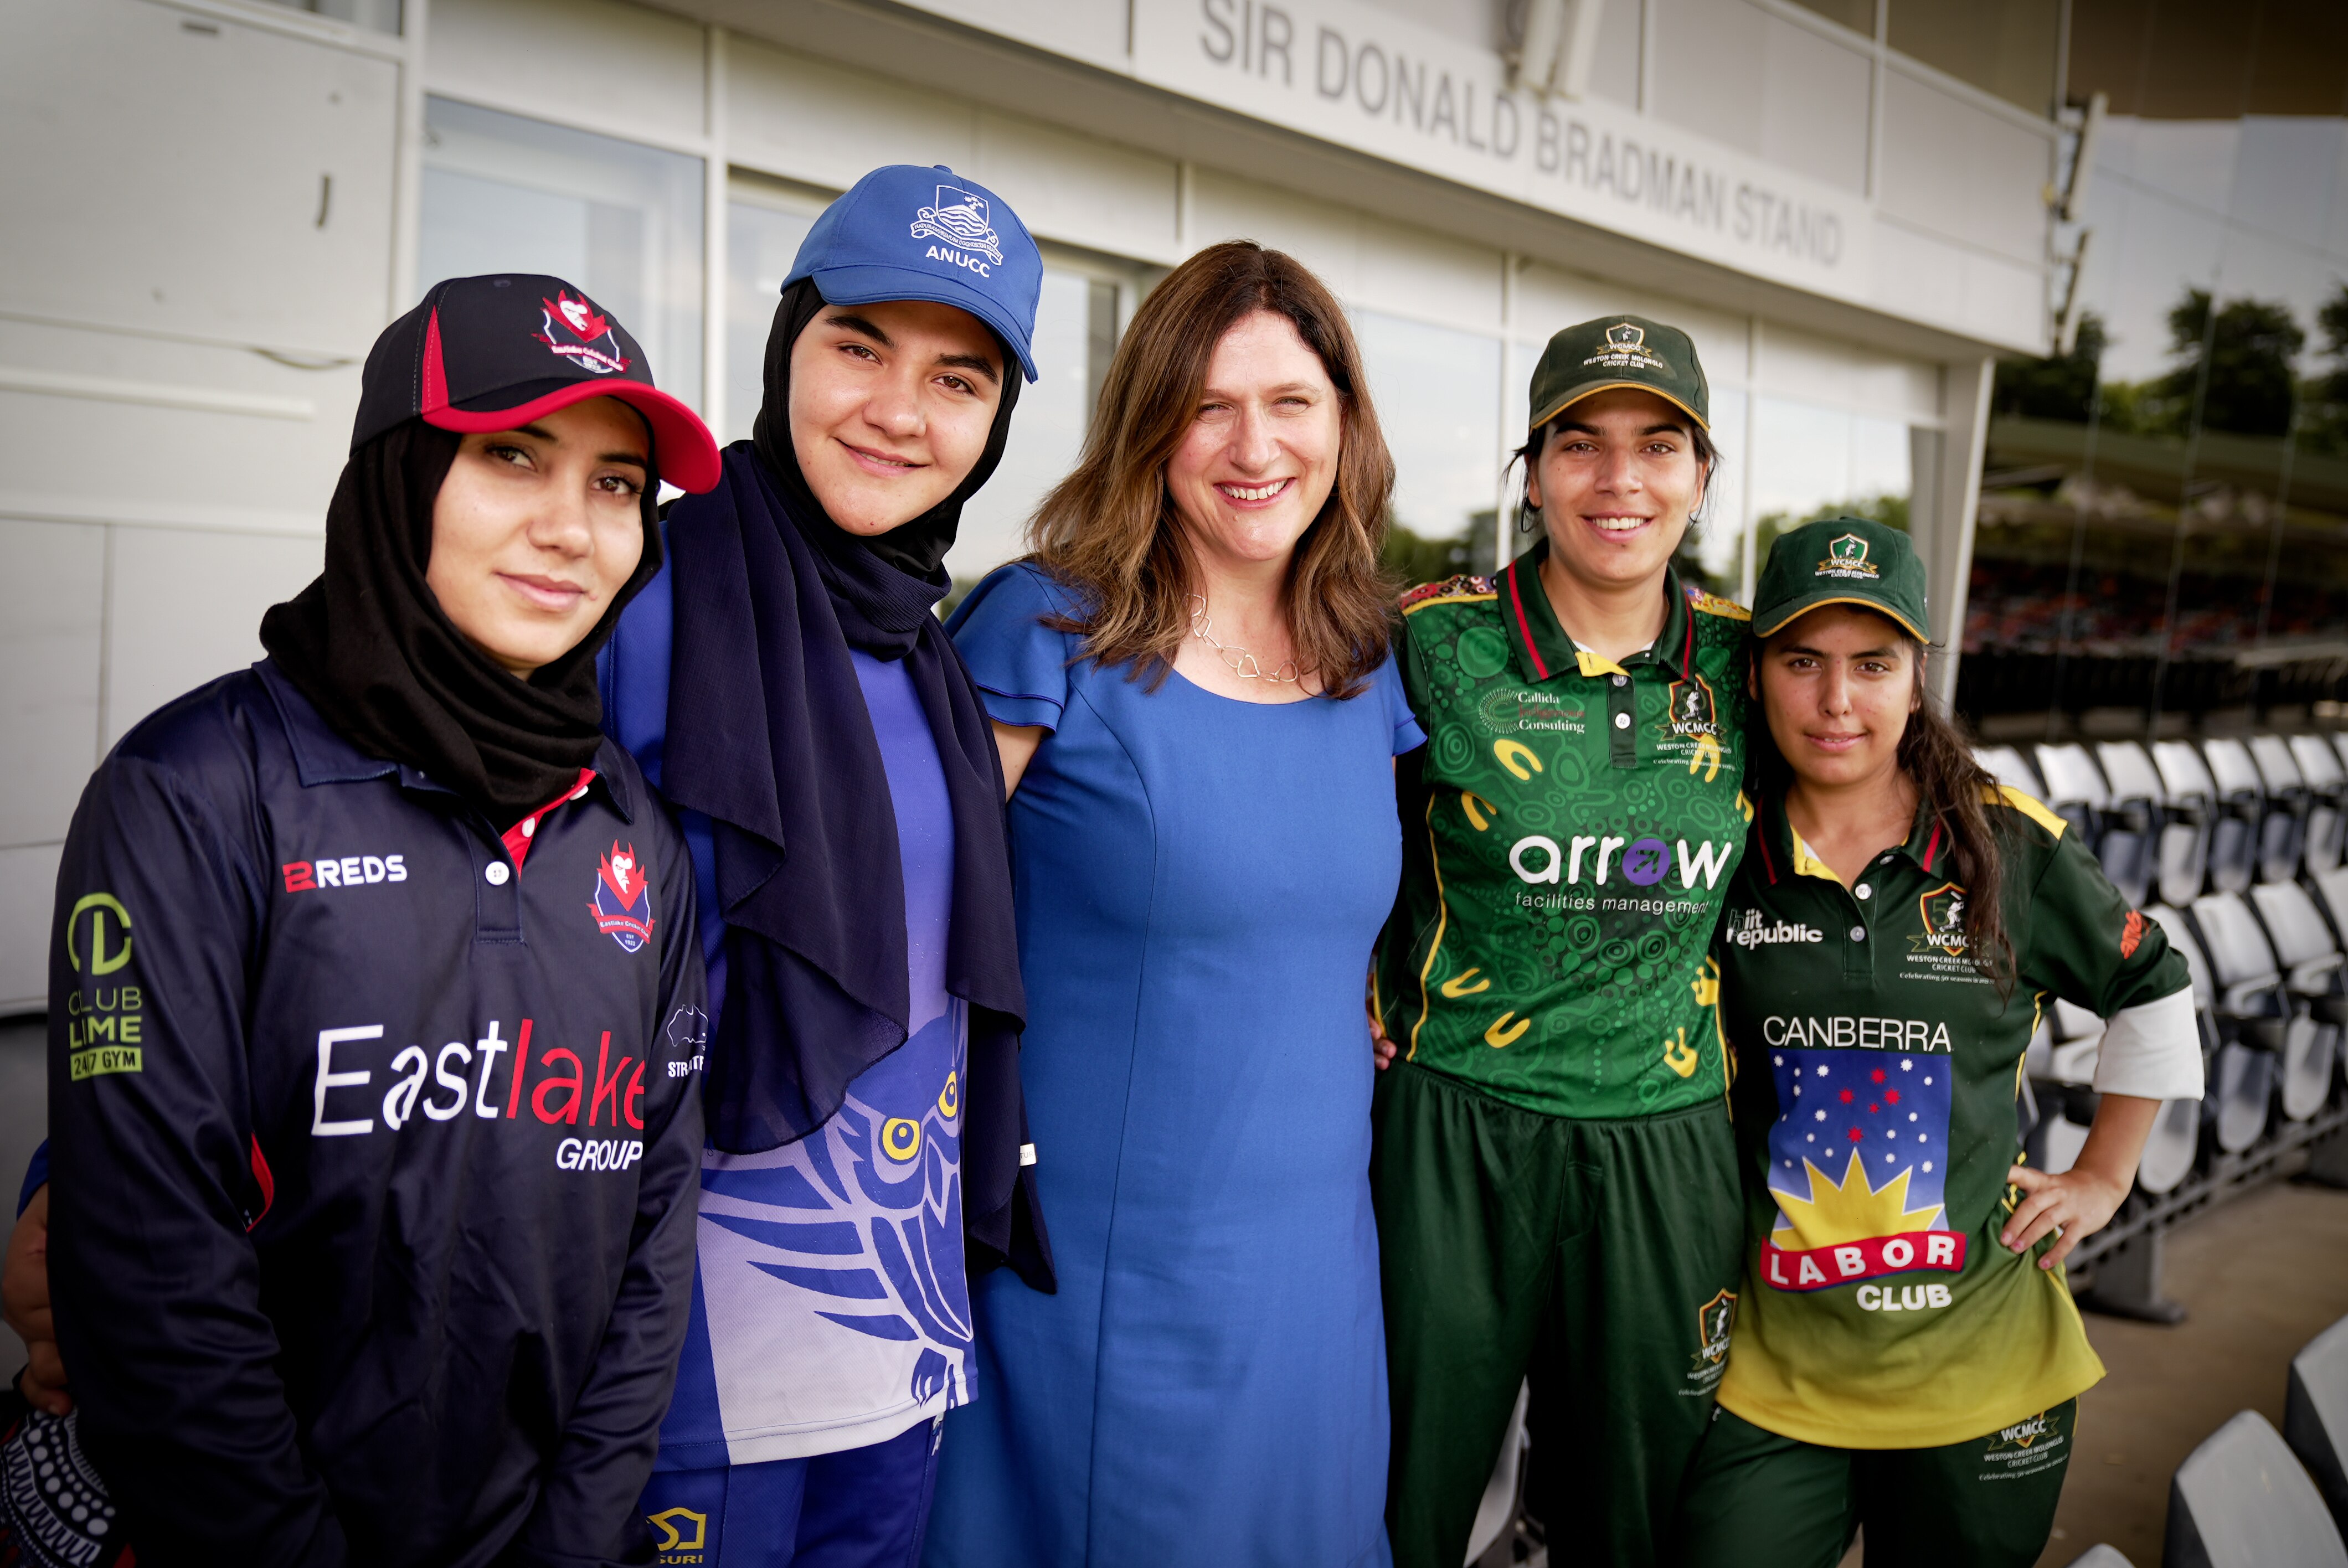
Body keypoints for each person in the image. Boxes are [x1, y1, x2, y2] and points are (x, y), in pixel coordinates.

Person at [28, 272, 723, 1565]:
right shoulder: (189, 789)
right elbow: (150, 1271)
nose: (571, 529)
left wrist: (570, 1546)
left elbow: (651, 1235)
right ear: (399, 477)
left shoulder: (631, 829)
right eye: (513, 457)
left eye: (616, 483)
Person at [923, 240, 1420, 1568]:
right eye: (1207, 405)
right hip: (1095, 1261)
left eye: (1288, 403)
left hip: (1315, 1265)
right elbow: (914, 922)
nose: (1252, 445)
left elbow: (1310, 916)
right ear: (1150, 426)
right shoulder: (1044, 632)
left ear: (1342, 425)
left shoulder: (1363, 658)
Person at [596, 164, 1048, 1567]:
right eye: (859, 345)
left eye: (958, 379)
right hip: (678, 1346)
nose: (900, 412)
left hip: (891, 1347)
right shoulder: (633, 592)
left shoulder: (932, 652)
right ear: (789, 339)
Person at [1672, 518, 2201, 1568]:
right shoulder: (1712, 839)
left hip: (1985, 1377)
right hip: (1775, 1380)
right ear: (1759, 672)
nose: (1836, 702)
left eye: (1873, 665)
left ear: (1918, 679)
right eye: (1802, 661)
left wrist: (2103, 1177)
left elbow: (2155, 986)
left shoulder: (2006, 842)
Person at [1368, 315, 1751, 1567]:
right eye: (1577, 444)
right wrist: (1332, 984)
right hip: (1454, 1129)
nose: (1616, 480)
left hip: (1667, 1134)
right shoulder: (1427, 641)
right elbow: (1304, 829)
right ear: (1530, 473)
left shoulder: (1756, 663)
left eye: (1656, 446)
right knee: (1401, 1493)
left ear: (1701, 473)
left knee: (1632, 1517)